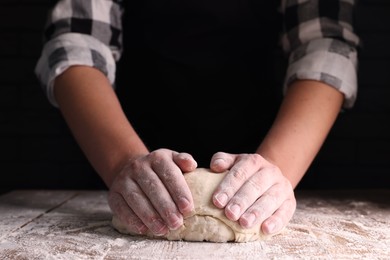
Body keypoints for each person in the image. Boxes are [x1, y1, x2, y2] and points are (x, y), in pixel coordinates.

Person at [35, 0, 360, 237]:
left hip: (271, 134)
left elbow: (324, 44)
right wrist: (121, 161)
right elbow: (77, 39)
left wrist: (277, 171)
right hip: (123, 138)